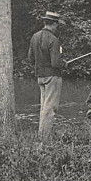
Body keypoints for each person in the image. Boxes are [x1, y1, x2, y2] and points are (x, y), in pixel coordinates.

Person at [27, 11, 65, 141]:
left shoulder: (34, 37)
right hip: (52, 77)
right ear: (53, 24)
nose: (56, 27)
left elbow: (31, 59)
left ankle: (42, 135)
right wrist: (63, 63)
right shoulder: (54, 40)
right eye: (56, 25)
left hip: (40, 76)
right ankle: (44, 138)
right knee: (50, 109)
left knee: (43, 107)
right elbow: (55, 63)